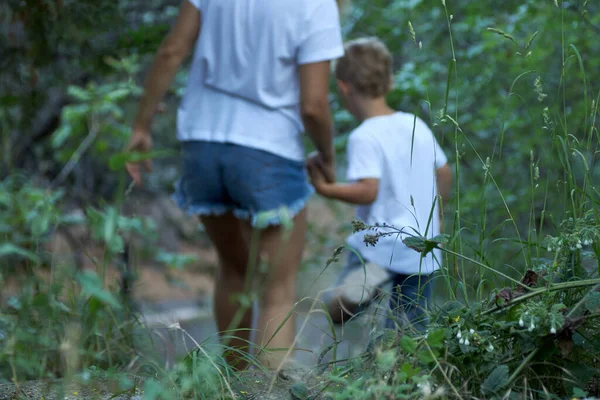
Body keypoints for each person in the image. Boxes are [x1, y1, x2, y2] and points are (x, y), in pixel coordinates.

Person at [125, 0, 344, 370]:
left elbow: (171, 50)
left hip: (203, 143)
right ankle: (269, 392)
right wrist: (327, 155)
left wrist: (141, 126)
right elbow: (313, 106)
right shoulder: (316, 4)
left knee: (233, 270)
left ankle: (234, 384)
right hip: (268, 149)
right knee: (277, 289)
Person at [307, 37, 452, 331]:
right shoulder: (415, 124)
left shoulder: (365, 136)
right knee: (408, 331)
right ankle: (398, 372)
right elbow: (445, 171)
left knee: (339, 310)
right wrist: (435, 217)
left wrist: (325, 189)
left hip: (380, 251)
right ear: (390, 81)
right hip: (421, 249)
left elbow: (367, 190)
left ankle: (340, 302)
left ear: (344, 86)